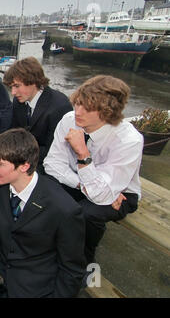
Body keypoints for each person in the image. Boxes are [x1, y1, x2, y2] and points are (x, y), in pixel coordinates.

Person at [0, 128, 86, 298]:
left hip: (34, 289)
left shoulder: (65, 209)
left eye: (0, 164)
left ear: (24, 166)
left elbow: (71, 271)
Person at [43, 75, 143, 265]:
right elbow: (52, 163)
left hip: (121, 194)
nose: (78, 111)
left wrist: (82, 153)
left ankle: (84, 259)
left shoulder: (129, 140)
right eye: (78, 103)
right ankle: (53, 245)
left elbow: (100, 194)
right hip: (81, 181)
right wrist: (82, 184)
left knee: (88, 214)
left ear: (108, 112)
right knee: (44, 187)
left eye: (87, 107)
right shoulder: (69, 119)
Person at [3, 57, 72, 169]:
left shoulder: (60, 106)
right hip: (24, 161)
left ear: (33, 81)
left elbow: (55, 150)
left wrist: (17, 160)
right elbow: (14, 134)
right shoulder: (19, 101)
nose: (13, 92)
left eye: (17, 86)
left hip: (48, 168)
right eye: (11, 87)